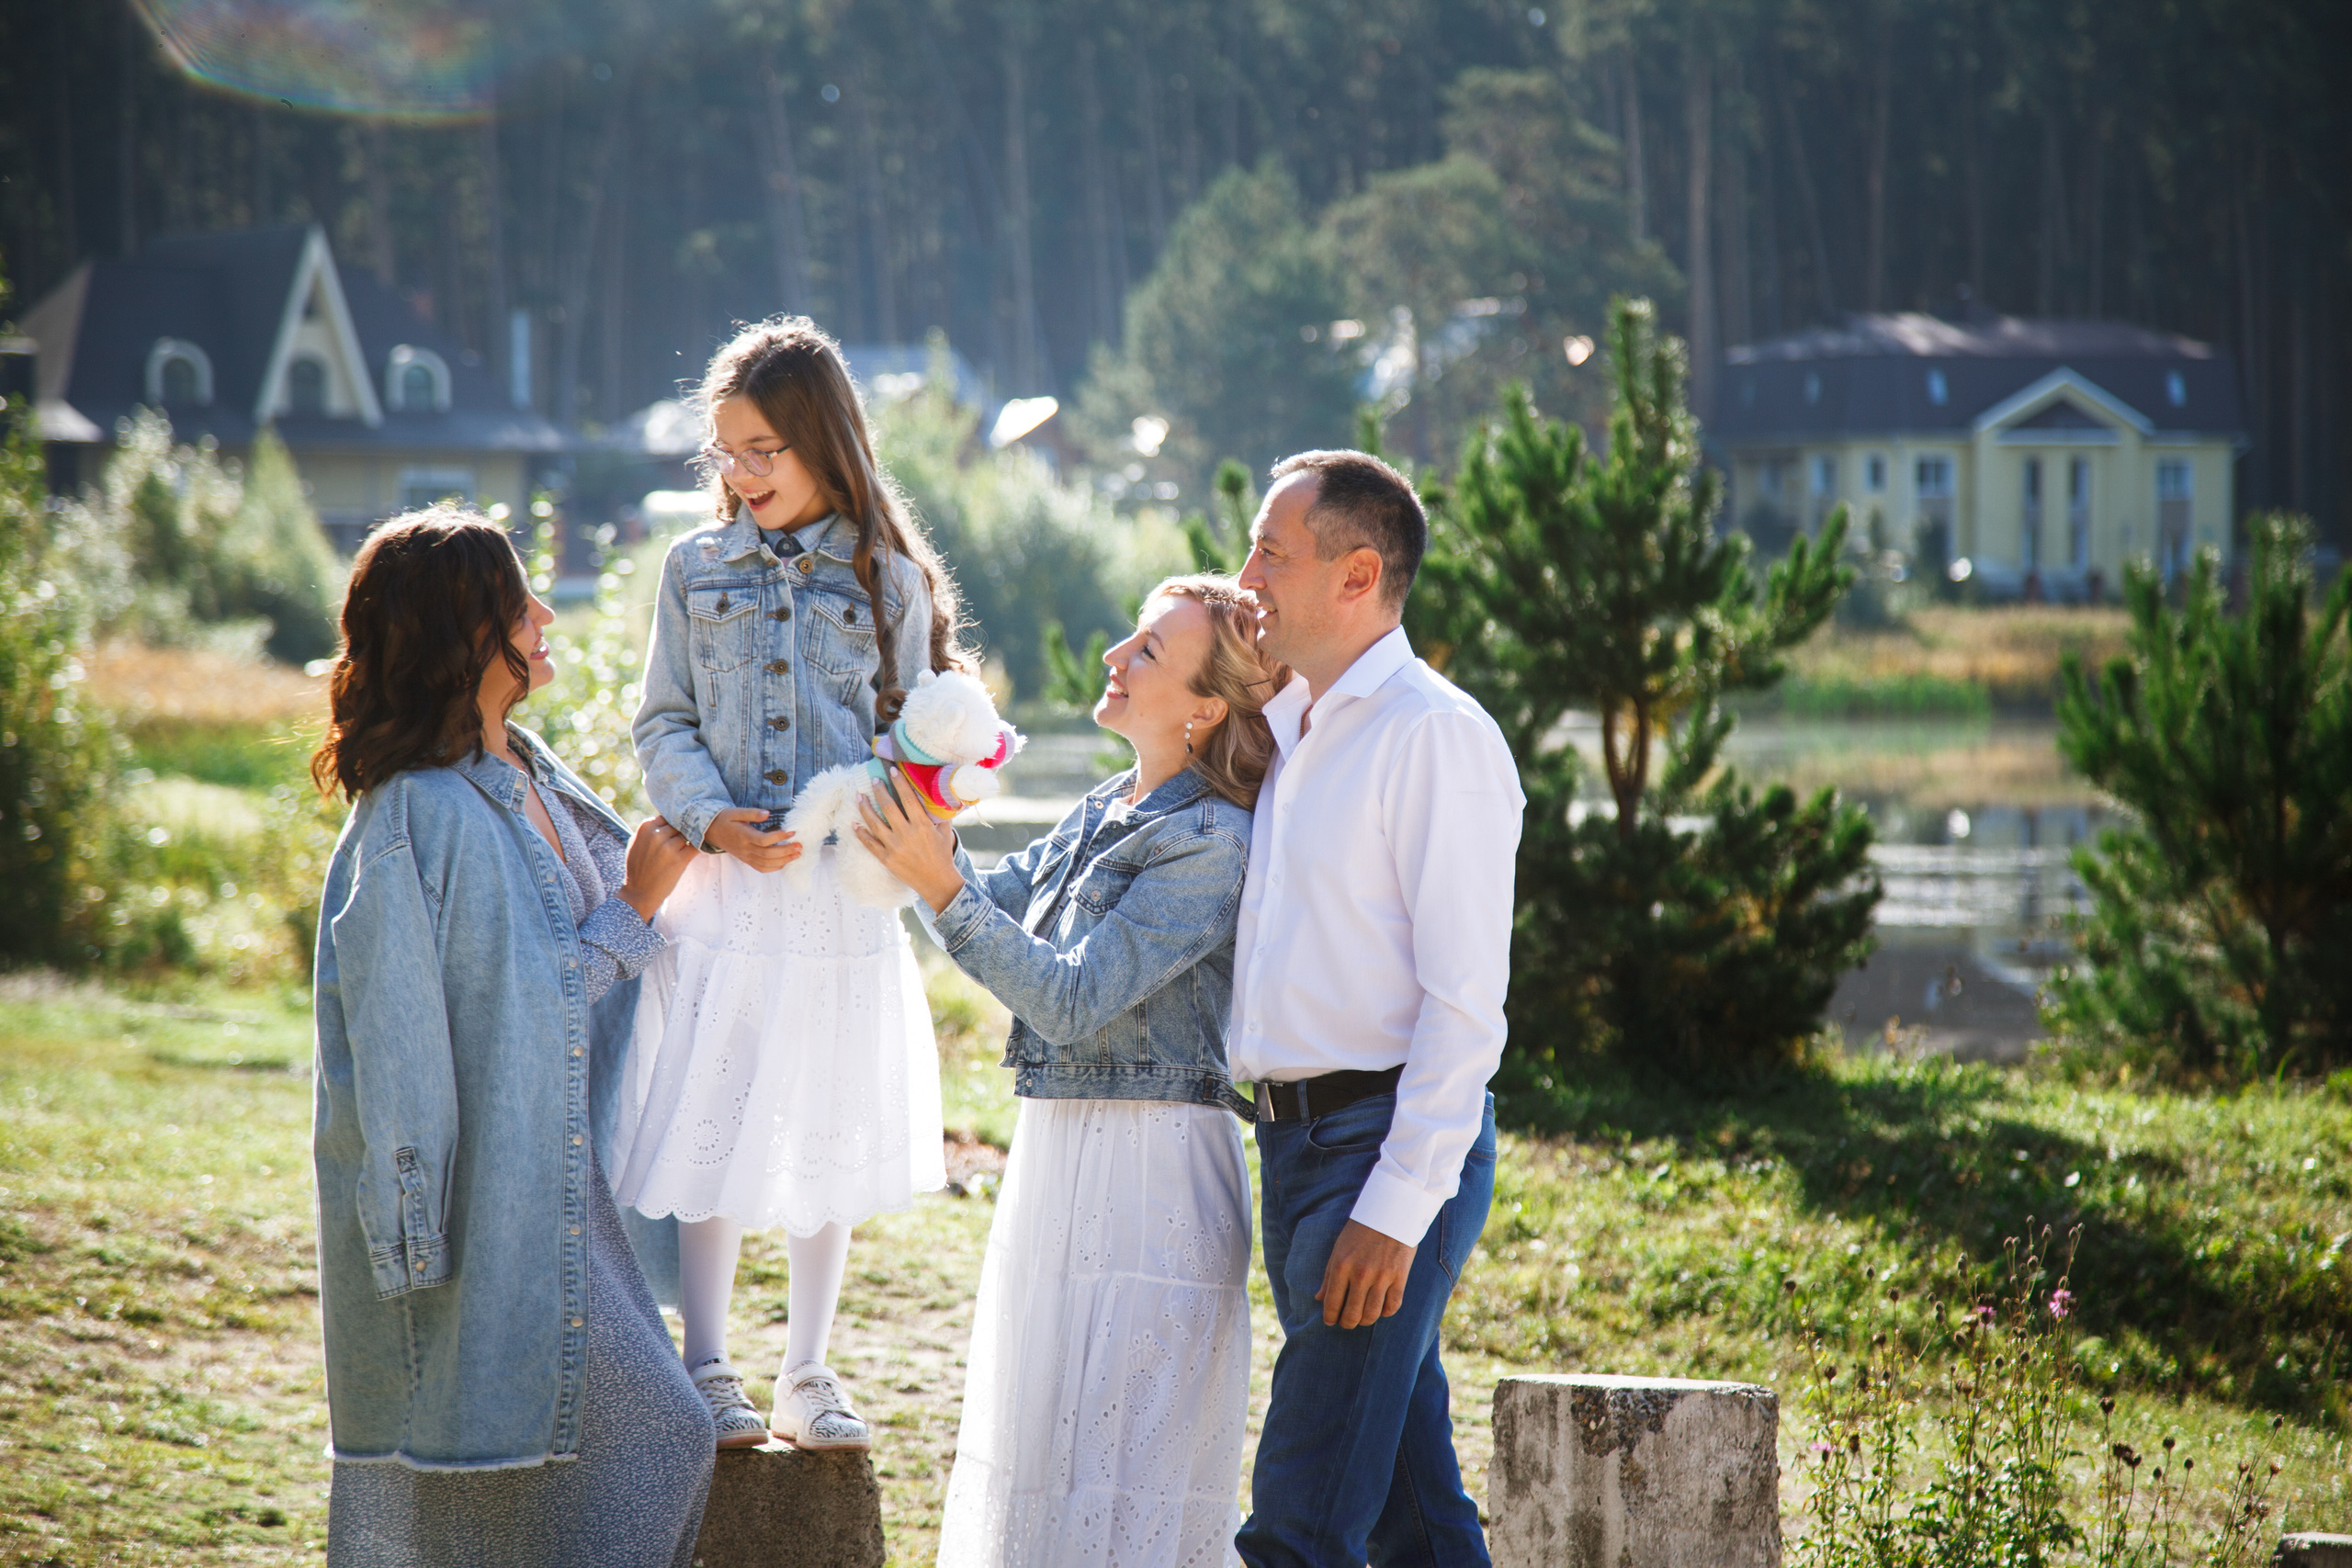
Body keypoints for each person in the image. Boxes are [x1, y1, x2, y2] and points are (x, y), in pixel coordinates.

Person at [310, 505, 713, 1568]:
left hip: (573, 1194)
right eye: (513, 602)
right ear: (458, 636)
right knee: (645, 1439)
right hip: (483, 1209)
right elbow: (459, 1034)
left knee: (596, 1463)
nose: (543, 614)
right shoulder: (413, 819)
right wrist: (630, 916)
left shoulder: (529, 771)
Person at [858, 574, 1288, 1568]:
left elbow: (1068, 996)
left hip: (1152, 1171)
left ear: (1205, 707)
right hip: (1059, 1153)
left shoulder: (1211, 839)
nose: (1114, 658)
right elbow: (991, 896)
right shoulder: (1107, 805)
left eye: (1146, 650)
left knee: (1124, 1454)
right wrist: (913, 812)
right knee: (1044, 1436)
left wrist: (940, 882)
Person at [613, 316, 960, 1451]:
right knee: (711, 1118)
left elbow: (919, 738)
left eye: (762, 448)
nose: (740, 473)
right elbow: (661, 718)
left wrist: (910, 791)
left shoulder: (889, 581)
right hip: (725, 899)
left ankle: (808, 1368)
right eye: (725, 451)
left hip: (837, 910)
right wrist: (709, 818)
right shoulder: (692, 569)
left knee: (824, 1119)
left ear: (823, 441)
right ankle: (706, 1363)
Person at [1227, 452, 1523, 1567]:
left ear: (1357, 577)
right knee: (1411, 1514)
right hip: (1292, 1146)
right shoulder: (1290, 724)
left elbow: (1465, 1007)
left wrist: (1396, 1209)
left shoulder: (1432, 735)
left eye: (1272, 552)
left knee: (1299, 1523)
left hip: (1380, 1150)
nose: (1244, 572)